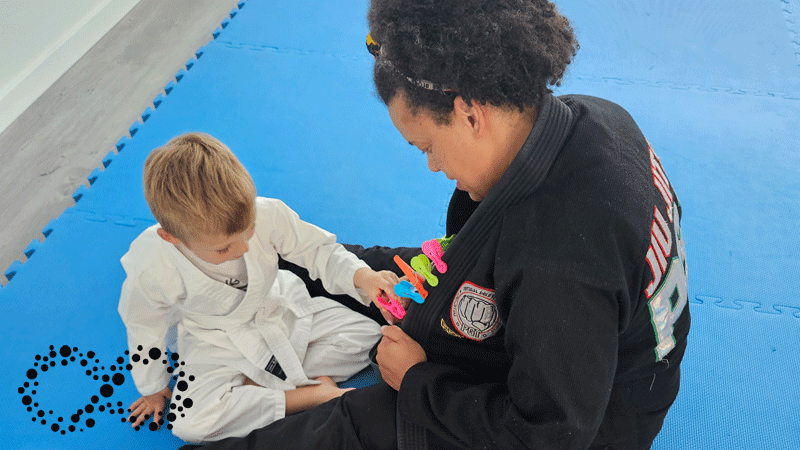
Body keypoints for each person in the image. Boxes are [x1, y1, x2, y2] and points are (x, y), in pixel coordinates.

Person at [182, 0, 690, 448]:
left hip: (589, 427)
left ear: (471, 114)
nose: (430, 165)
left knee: (359, 422)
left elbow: (547, 434)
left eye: (426, 146)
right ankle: (273, 257)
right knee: (380, 274)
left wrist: (419, 381)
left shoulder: (557, 261)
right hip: (576, 343)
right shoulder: (595, 117)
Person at [117, 132, 401, 443]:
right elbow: (143, 325)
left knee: (371, 336)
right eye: (224, 249)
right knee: (188, 422)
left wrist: (364, 277)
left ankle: (256, 390)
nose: (241, 249)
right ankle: (309, 396)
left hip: (280, 310)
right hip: (213, 340)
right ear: (173, 238)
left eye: (248, 232)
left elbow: (318, 250)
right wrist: (153, 385)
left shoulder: (266, 212)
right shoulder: (152, 263)